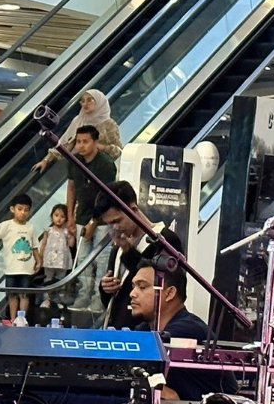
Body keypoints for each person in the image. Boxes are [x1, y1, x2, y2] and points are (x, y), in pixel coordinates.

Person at [128, 262, 236, 400]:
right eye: (133, 286)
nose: (132, 294)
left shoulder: (188, 329)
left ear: (169, 293)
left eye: (142, 287)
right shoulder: (144, 329)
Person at [93, 180, 183, 330]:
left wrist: (128, 252)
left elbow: (154, 286)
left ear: (133, 209)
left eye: (117, 221)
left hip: (142, 331)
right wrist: (106, 288)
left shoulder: (166, 240)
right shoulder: (119, 245)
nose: (115, 228)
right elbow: (117, 296)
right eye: (110, 224)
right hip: (116, 328)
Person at [60, 124, 118, 311]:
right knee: (82, 259)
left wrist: (94, 221)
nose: (81, 145)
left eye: (85, 141)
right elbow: (71, 188)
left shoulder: (106, 164)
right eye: (78, 141)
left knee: (101, 261)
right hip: (81, 217)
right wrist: (70, 216)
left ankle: (98, 299)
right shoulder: (74, 161)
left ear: (95, 142)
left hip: (102, 219)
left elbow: (107, 195)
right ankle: (83, 295)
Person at [32, 88, 123, 174]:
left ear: (99, 101)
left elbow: (118, 152)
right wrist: (46, 160)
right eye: (82, 101)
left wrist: (100, 147)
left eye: (89, 100)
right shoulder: (78, 120)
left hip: (100, 171)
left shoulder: (109, 125)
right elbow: (64, 143)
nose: (85, 104)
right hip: (78, 169)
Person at [0, 193, 40, 320]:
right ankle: (13, 319)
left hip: (26, 269)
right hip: (11, 269)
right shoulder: (7, 225)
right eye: (20, 209)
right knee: (12, 295)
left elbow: (34, 247)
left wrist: (39, 261)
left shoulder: (31, 228)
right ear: (12, 209)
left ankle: (22, 318)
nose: (23, 212)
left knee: (25, 294)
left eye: (26, 210)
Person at [38, 203, 75, 309]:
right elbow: (43, 243)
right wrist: (40, 257)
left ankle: (57, 300)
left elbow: (71, 244)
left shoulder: (66, 231)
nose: (59, 219)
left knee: (60, 280)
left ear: (66, 219)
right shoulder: (48, 230)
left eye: (62, 217)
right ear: (52, 216)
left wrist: (72, 235)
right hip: (49, 259)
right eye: (56, 215)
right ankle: (46, 299)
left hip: (62, 260)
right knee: (48, 279)